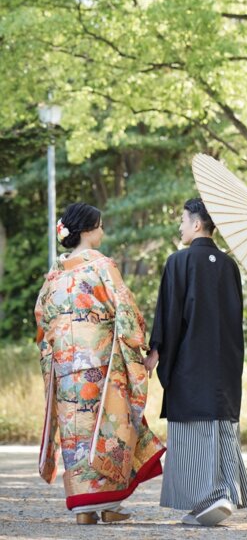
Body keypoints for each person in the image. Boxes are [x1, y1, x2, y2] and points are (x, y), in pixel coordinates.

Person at [34, 202, 165, 525]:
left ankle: (85, 509)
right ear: (88, 230)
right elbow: (126, 311)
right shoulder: (102, 266)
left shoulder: (55, 273)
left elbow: (42, 321)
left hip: (65, 369)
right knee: (108, 429)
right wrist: (140, 348)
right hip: (101, 365)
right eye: (101, 226)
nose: (103, 231)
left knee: (76, 435)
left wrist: (60, 353)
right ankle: (108, 502)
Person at [144, 198, 247, 527]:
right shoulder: (229, 266)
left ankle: (208, 498)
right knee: (222, 426)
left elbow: (169, 314)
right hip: (225, 364)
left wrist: (156, 351)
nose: (180, 227)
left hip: (191, 363)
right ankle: (222, 493)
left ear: (196, 224)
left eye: (183, 220)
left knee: (194, 431)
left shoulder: (178, 262)